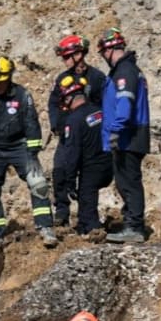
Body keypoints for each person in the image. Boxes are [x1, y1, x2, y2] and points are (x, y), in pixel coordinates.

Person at [0, 54, 57, 247]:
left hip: (19, 146)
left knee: (38, 183)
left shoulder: (22, 95)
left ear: (9, 77)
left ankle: (45, 227)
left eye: (1, 82)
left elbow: (31, 124)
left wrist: (33, 153)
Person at [98, 28, 151, 243]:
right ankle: (132, 223)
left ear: (109, 50)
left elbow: (124, 104)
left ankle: (135, 227)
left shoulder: (125, 71)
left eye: (103, 53)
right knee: (124, 180)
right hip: (129, 133)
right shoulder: (126, 70)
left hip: (129, 135)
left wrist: (115, 130)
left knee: (129, 181)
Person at [48, 35, 106, 227]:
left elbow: (104, 106)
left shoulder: (97, 78)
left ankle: (88, 219)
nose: (65, 62)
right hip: (69, 133)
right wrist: (57, 125)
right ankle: (62, 211)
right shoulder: (63, 79)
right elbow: (53, 104)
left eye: (67, 57)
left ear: (79, 54)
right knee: (60, 170)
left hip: (91, 135)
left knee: (89, 178)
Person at [55, 75, 113, 235]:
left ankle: (92, 232)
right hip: (110, 164)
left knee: (86, 210)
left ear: (69, 98)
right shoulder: (100, 111)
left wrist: (70, 180)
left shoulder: (73, 120)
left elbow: (72, 153)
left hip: (91, 169)